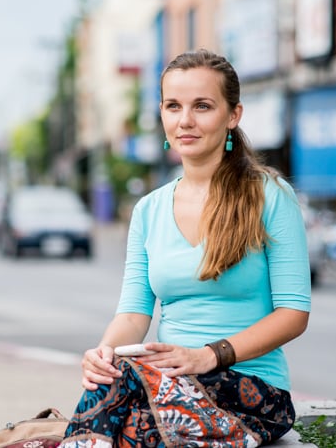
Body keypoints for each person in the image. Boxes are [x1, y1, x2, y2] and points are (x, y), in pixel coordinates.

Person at [59, 49, 311, 447]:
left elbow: (294, 314)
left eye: (203, 106)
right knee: (116, 379)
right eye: (173, 106)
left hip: (251, 390)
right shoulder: (148, 210)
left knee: (131, 425)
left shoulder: (269, 196)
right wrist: (102, 354)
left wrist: (209, 356)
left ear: (233, 115)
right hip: (167, 381)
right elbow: (132, 314)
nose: (185, 120)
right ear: (161, 114)